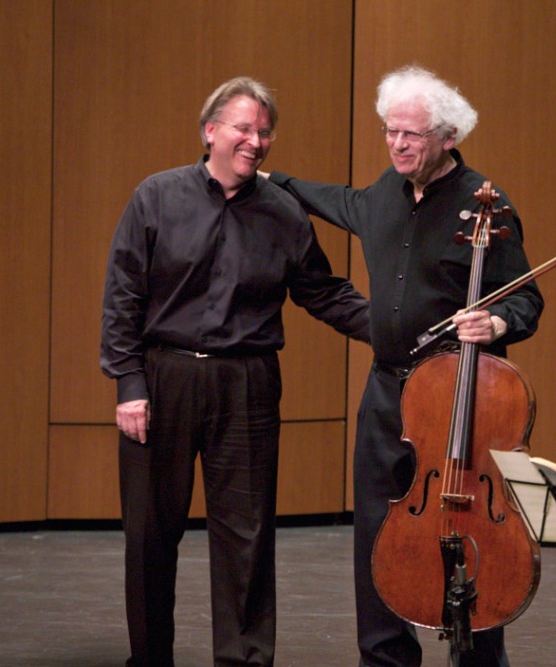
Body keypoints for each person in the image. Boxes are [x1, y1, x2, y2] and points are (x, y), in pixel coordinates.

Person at [266, 65, 544, 667]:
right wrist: (270, 178)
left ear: (446, 137)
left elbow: (527, 300)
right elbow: (333, 200)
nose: (397, 144)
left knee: (466, 536)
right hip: (387, 395)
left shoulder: (484, 207)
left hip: (457, 401)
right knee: (377, 533)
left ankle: (475, 654)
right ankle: (385, 659)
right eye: (390, 132)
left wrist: (495, 323)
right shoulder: (382, 196)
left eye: (410, 135)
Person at [100, 76, 370, 667]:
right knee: (149, 537)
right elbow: (123, 297)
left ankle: (244, 660)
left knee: (246, 539)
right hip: (161, 379)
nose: (256, 140)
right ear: (211, 131)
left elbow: (323, 293)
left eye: (264, 131)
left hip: (246, 384)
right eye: (244, 128)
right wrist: (129, 385)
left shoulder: (284, 213)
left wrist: (394, 326)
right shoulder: (156, 196)